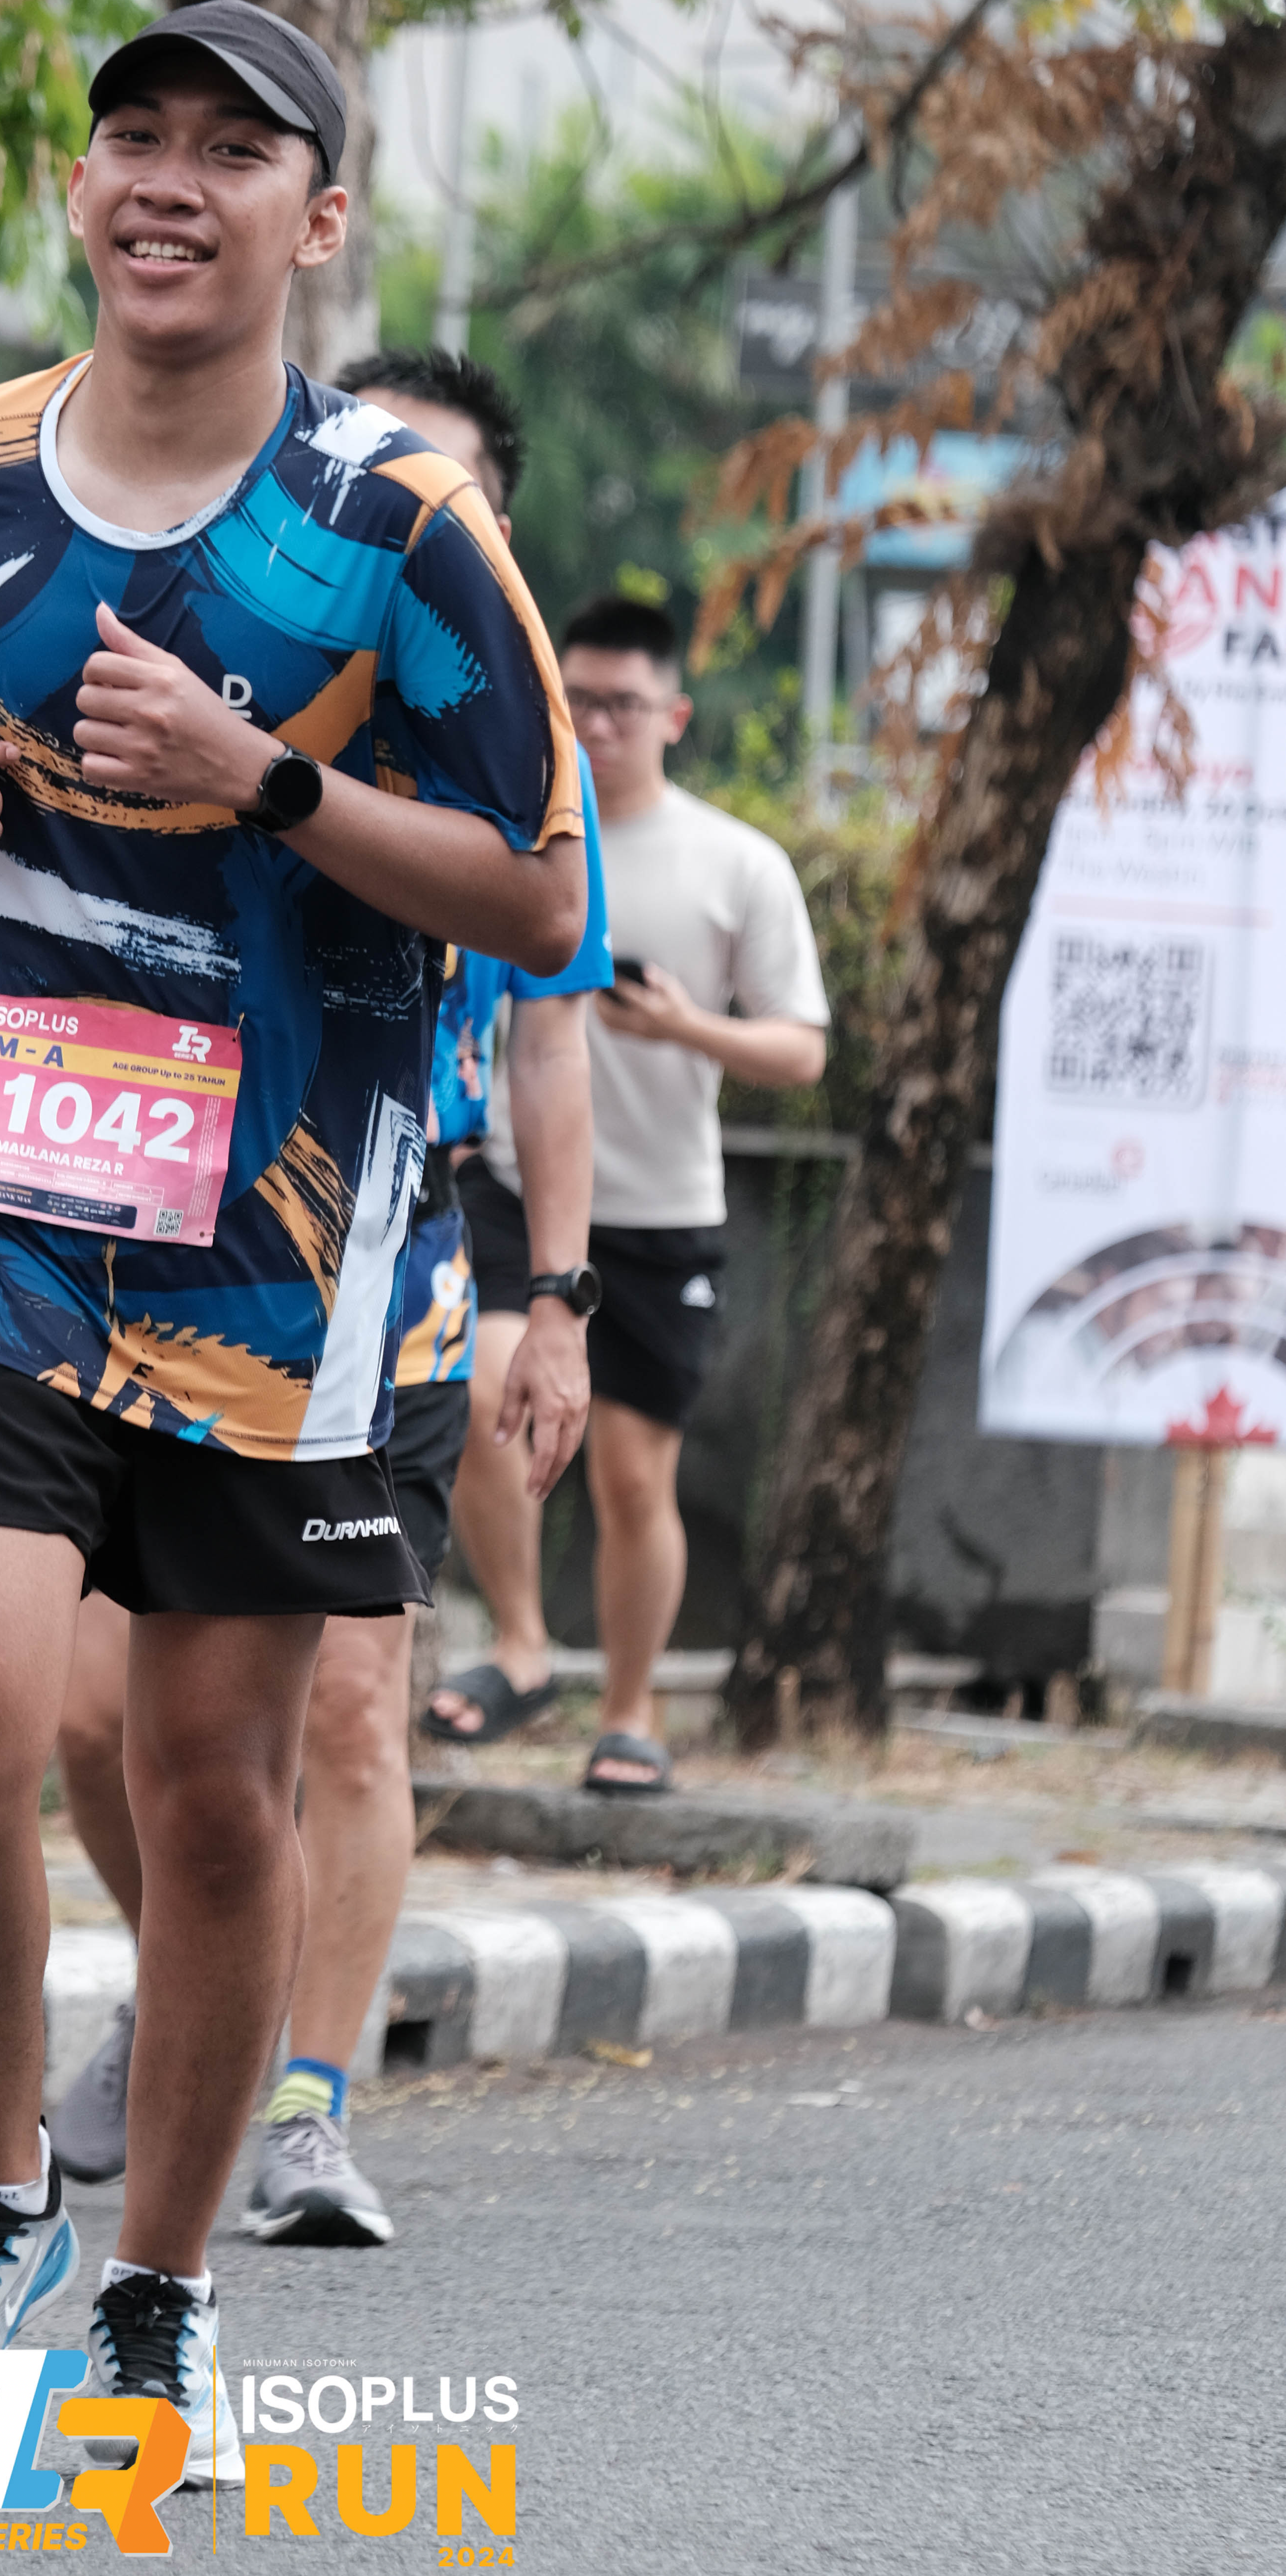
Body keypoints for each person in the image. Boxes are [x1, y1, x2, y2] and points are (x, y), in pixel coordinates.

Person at [0, 0, 588, 2488]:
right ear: (81, 193)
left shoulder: (397, 528)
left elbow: (537, 897)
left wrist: (267, 781)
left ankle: (154, 2299)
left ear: (314, 218)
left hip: (287, 1250)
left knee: (212, 1785)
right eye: (129, 139)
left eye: (230, 151)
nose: (167, 180)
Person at [47, 348, 608, 2247]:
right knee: (85, 1719)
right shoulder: (184, 676)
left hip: (387, 1271)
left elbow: (549, 1043)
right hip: (138, 1235)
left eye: (438, 498)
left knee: (355, 1712)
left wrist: (561, 1297)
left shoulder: (519, 758)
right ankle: (193, 1980)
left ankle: (302, 2102)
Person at [430, 593, 828, 1792]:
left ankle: (629, 1708)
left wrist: (684, 1026)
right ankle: (521, 1643)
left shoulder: (736, 863)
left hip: (660, 1213)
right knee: (480, 1389)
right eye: (577, 700)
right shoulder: (510, 835)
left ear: (675, 715)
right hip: (512, 1188)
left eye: (622, 704)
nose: (596, 725)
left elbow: (802, 1049)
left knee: (630, 1476)